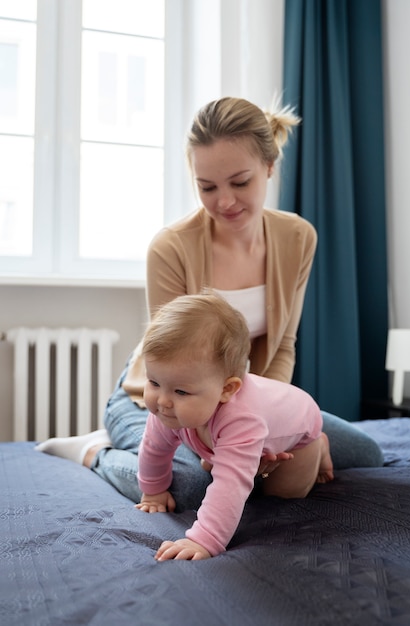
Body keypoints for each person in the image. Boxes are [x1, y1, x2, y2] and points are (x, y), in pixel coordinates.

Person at [36, 96, 383, 509]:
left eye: (240, 182)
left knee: (365, 455)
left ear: (269, 168)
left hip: (233, 397)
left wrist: (267, 425)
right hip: (165, 397)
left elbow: (283, 345)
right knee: (190, 490)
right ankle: (96, 452)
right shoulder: (171, 247)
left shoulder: (298, 237)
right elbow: (171, 355)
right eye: (207, 187)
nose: (225, 201)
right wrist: (225, 450)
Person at [135, 293, 333, 560]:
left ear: (227, 389)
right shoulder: (169, 407)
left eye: (181, 391)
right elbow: (154, 449)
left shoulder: (242, 420)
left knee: (282, 497)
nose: (162, 401)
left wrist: (204, 539)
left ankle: (318, 446)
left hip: (298, 429)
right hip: (242, 427)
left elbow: (231, 484)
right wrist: (154, 491)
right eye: (154, 383)